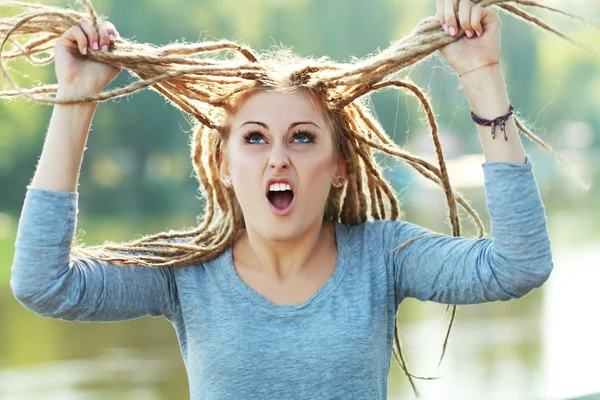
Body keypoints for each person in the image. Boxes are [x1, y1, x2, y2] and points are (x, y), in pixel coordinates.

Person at [8, 0, 554, 398]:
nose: (277, 159)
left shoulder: (383, 257)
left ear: (340, 167)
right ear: (223, 165)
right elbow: (43, 284)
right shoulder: (186, 274)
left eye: (302, 136)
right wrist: (75, 102)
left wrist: (483, 77)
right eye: (253, 138)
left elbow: (519, 264)